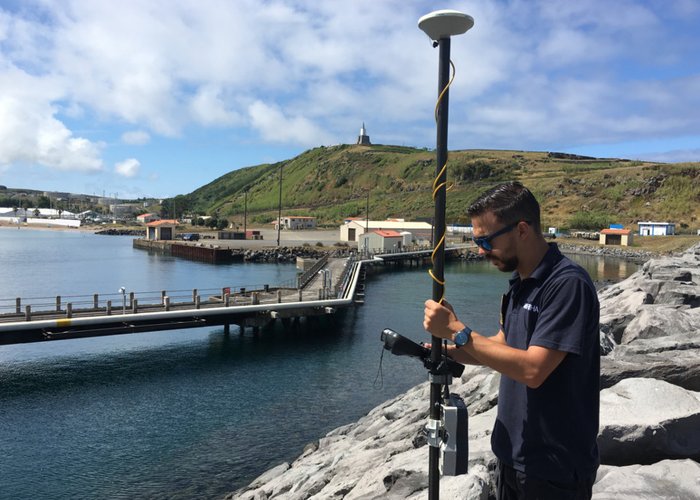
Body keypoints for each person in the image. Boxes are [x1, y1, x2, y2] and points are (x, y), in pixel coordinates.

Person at [423, 181, 600, 500]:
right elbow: (504, 348)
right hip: (511, 459)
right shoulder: (519, 283)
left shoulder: (567, 285)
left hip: (554, 471)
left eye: (486, 239)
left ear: (522, 230)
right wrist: (453, 349)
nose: (479, 250)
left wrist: (458, 330)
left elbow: (533, 370)